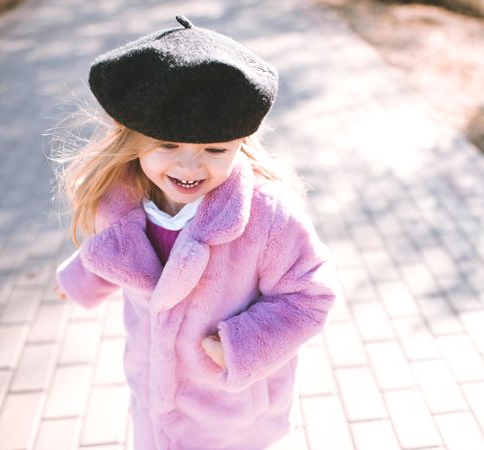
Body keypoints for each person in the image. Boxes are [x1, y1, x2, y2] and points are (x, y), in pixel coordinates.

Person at [51, 15, 337, 450]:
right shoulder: (123, 205)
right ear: (134, 140)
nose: (188, 167)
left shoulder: (267, 217)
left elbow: (310, 295)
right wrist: (76, 281)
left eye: (214, 149)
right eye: (167, 145)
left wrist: (241, 345)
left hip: (232, 415)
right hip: (153, 398)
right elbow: (116, 255)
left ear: (241, 143)